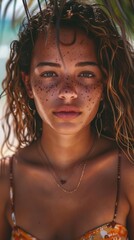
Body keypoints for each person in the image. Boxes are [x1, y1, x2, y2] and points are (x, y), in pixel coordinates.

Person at [0, 0, 134, 239]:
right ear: (28, 83)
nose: (67, 91)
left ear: (104, 84)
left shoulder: (127, 175)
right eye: (50, 73)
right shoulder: (5, 182)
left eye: (85, 74)